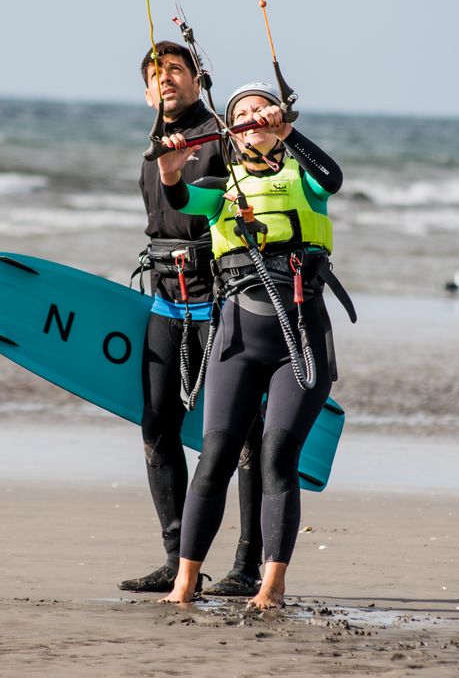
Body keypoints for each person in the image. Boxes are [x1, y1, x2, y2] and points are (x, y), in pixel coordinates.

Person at [154, 82, 345, 609]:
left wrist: (289, 132)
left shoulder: (303, 179)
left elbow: (334, 177)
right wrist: (171, 170)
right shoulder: (222, 187)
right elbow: (180, 197)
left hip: (300, 335)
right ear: (232, 130)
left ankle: (271, 584)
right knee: (215, 454)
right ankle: (185, 583)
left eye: (261, 108)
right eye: (242, 112)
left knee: (278, 454)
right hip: (238, 336)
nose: (253, 115)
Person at [120, 42, 264, 597]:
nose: (166, 80)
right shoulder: (153, 145)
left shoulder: (221, 138)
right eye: (155, 75)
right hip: (166, 299)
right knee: (157, 427)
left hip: (223, 299)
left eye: (176, 70)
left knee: (239, 435)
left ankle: (247, 565)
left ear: (198, 79)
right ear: (146, 91)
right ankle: (179, 558)